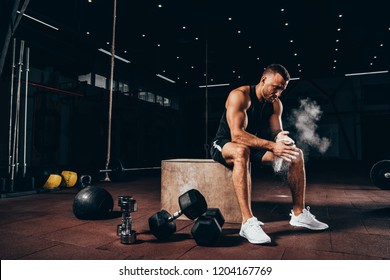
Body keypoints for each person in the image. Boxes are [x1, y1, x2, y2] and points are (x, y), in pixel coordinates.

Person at [210, 64, 328, 244]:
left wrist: (282, 139)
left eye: (282, 89)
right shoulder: (240, 96)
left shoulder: (275, 103)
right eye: (276, 87)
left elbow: (276, 132)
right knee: (241, 151)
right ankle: (247, 223)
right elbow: (237, 134)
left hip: (253, 145)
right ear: (264, 80)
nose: (278, 93)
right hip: (225, 143)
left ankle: (298, 214)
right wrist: (273, 146)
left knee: (295, 154)